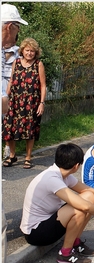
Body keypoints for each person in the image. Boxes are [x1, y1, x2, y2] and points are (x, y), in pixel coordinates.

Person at [20, 143, 94, 263]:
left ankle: (75, 243)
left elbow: (92, 191)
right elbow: (85, 206)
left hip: (48, 220)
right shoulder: (52, 179)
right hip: (36, 232)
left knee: (89, 197)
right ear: (76, 166)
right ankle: (65, 254)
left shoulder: (63, 175)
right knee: (80, 209)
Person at [2, 38, 46, 169]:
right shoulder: (16, 62)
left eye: (32, 51)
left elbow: (43, 86)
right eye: (27, 50)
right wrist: (5, 97)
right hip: (14, 101)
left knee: (29, 130)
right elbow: (11, 81)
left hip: (31, 103)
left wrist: (42, 103)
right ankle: (12, 156)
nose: (29, 53)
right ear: (22, 51)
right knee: (8, 128)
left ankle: (28, 157)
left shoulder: (38, 64)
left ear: (36, 52)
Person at [2, 4, 28, 160]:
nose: (18, 32)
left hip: (10, 90)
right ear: (10, 27)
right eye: (17, 27)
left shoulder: (18, 53)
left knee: (8, 120)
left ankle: (8, 148)